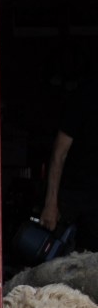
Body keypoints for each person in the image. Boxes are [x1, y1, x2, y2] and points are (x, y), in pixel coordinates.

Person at [39, 79, 98, 252]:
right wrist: (51, 203)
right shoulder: (87, 95)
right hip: (72, 196)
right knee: (59, 259)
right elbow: (59, 153)